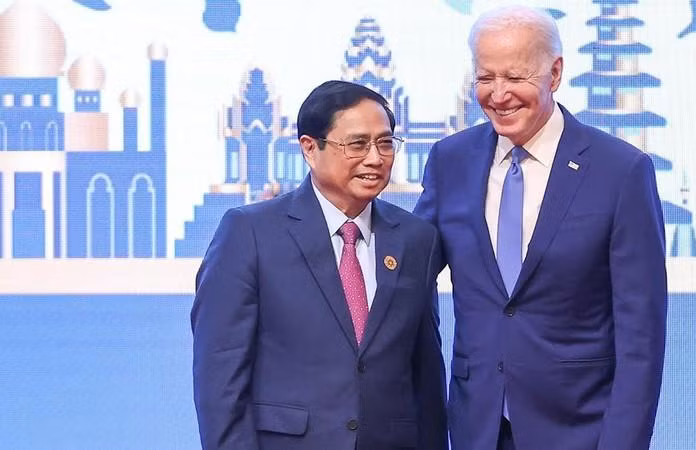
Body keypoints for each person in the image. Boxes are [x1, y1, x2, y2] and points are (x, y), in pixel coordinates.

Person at [413, 5, 668, 450]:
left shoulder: (620, 171)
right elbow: (409, 272)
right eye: (485, 77)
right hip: (477, 429)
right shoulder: (450, 161)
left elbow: (641, 337)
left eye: (515, 77)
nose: (498, 94)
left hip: (579, 430)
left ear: (555, 73)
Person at [192, 80, 447, 450]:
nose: (375, 158)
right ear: (310, 148)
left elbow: (426, 377)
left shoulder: (416, 239)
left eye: (385, 143)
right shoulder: (250, 233)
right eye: (357, 144)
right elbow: (220, 377)